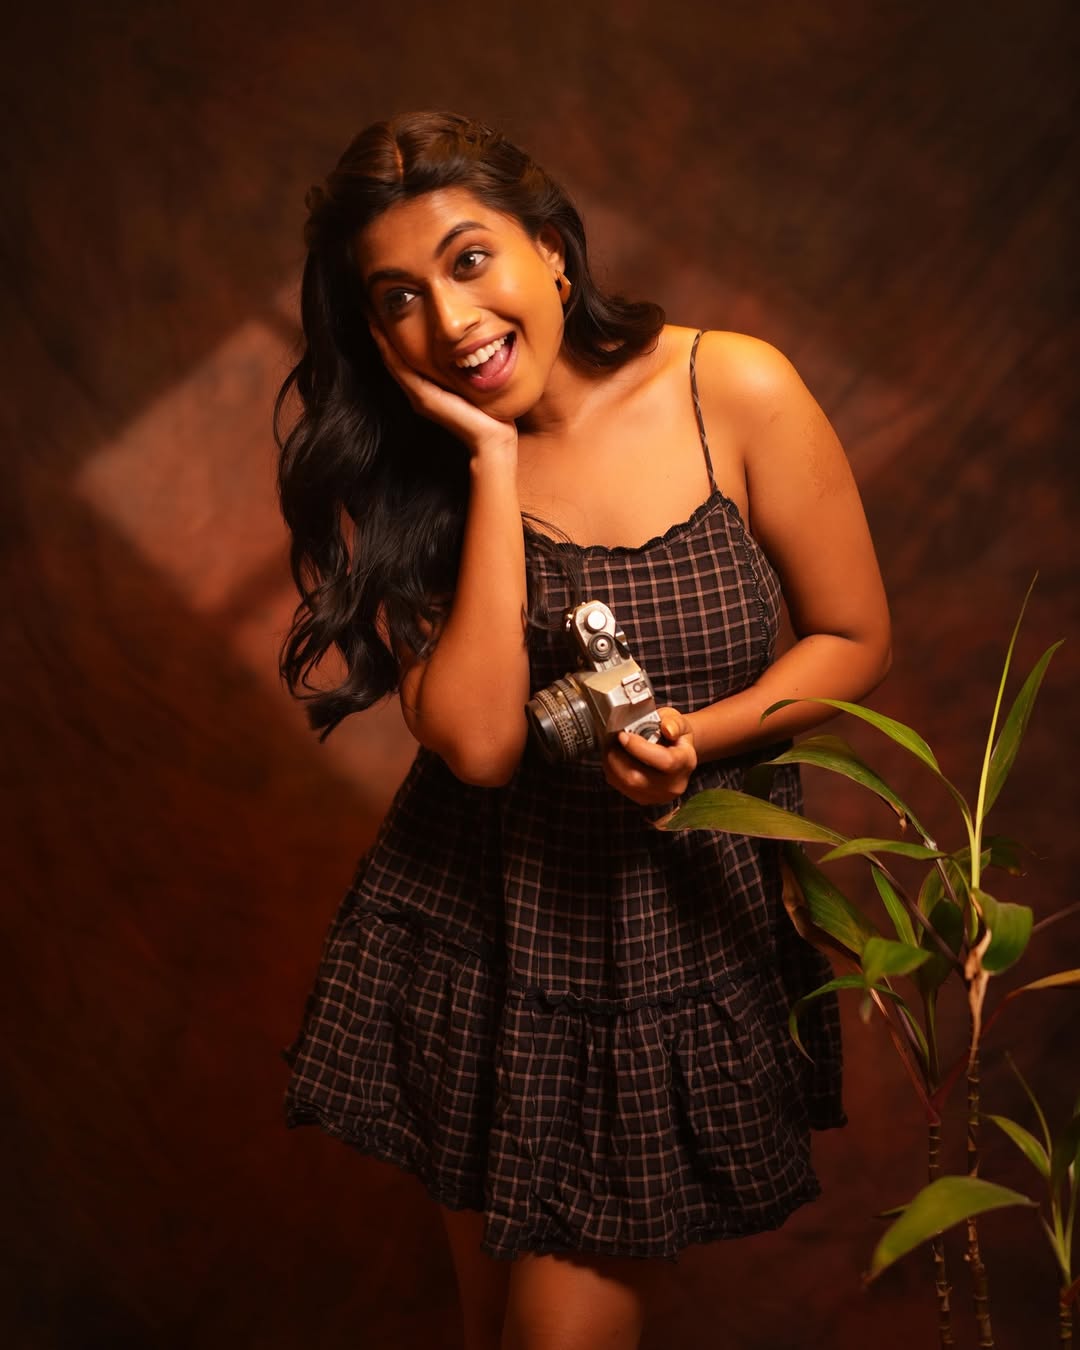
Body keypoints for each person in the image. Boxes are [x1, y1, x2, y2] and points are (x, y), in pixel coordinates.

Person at [277, 110, 891, 1350]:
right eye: (400, 299)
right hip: (475, 935)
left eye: (469, 260)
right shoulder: (409, 471)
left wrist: (698, 738)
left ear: (551, 250)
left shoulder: (734, 388)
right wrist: (491, 464)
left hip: (660, 945)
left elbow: (852, 635)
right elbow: (481, 747)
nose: (451, 321)